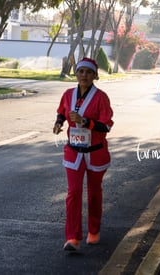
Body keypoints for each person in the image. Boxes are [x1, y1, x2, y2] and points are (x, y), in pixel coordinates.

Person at [53, 57, 114, 252]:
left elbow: (106, 125)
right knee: (73, 193)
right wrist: (58, 123)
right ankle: (72, 238)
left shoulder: (101, 97)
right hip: (74, 152)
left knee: (94, 193)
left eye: (88, 72)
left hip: (95, 152)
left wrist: (85, 121)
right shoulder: (68, 94)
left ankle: (94, 231)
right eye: (81, 72)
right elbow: (62, 112)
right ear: (76, 74)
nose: (84, 75)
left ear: (95, 75)